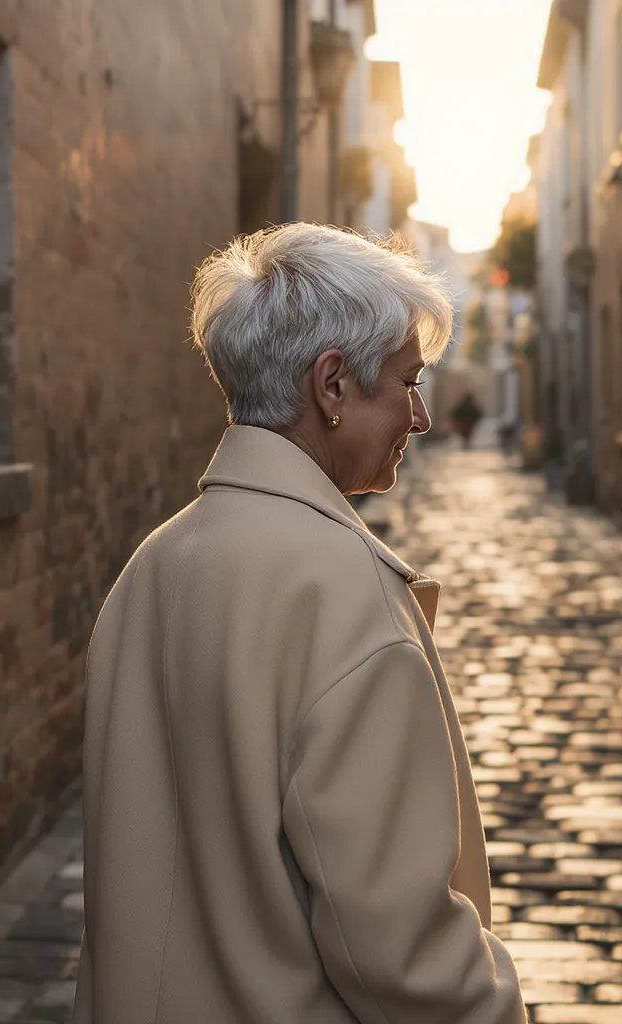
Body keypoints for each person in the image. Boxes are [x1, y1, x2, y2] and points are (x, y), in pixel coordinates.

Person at [73, 224, 526, 1024]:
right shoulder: (345, 594)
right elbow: (402, 951)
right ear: (332, 385)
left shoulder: (153, 566)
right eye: (407, 382)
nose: (420, 416)